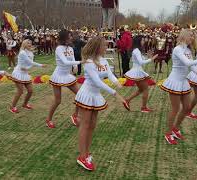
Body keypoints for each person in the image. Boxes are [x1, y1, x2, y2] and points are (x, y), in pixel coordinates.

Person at [75, 36, 127, 171]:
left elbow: (110, 74)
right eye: (104, 45)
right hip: (87, 94)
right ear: (97, 47)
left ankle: (86, 152)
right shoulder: (89, 62)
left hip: (96, 95)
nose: (106, 47)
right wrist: (115, 94)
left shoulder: (103, 60)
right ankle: (82, 156)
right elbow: (97, 82)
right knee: (85, 124)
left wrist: (117, 82)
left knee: (92, 125)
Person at [159, 29, 197, 145]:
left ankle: (175, 128)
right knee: (175, 108)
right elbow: (187, 63)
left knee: (187, 108)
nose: (192, 38)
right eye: (191, 36)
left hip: (183, 82)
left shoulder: (188, 50)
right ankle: (168, 134)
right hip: (175, 82)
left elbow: (191, 66)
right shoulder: (177, 49)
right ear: (184, 36)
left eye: (193, 36)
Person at [46, 29, 82, 128]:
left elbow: (72, 61)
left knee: (80, 95)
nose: (71, 38)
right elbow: (66, 62)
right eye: (69, 36)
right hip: (58, 76)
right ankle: (48, 119)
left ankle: (75, 116)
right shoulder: (59, 49)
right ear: (64, 38)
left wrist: (75, 68)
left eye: (71, 36)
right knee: (58, 101)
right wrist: (80, 62)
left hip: (68, 76)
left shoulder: (70, 48)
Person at [8, 39, 46, 113]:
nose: (30, 44)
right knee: (20, 91)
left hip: (25, 73)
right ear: (24, 44)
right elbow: (30, 62)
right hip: (18, 73)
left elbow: (30, 64)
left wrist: (26, 68)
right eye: (28, 43)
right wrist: (41, 65)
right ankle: (12, 107)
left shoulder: (31, 53)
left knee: (30, 91)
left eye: (30, 43)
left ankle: (24, 104)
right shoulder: (22, 52)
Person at [124, 35, 158, 112]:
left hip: (137, 71)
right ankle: (143, 108)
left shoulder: (137, 50)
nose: (144, 41)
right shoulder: (137, 50)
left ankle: (127, 100)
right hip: (137, 72)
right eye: (142, 40)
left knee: (141, 90)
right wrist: (151, 59)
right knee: (145, 89)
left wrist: (149, 57)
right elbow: (141, 62)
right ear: (138, 41)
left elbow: (141, 59)